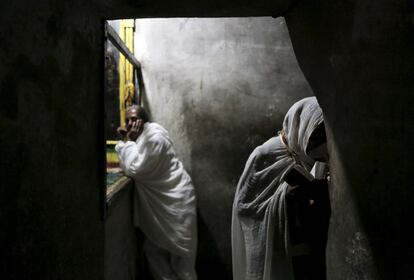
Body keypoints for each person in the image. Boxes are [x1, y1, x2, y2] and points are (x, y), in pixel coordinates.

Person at [231, 96, 330, 280]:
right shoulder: (265, 154)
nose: (319, 144)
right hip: (272, 251)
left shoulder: (313, 158)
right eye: (314, 136)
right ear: (300, 126)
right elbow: (244, 208)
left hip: (305, 251)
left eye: (322, 137)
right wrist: (285, 198)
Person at [115, 105, 198, 280]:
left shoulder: (154, 138)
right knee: (153, 249)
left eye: (134, 119)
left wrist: (128, 142)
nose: (130, 123)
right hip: (168, 199)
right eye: (127, 119)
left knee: (181, 259)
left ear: (143, 121)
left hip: (177, 199)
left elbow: (135, 168)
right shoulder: (144, 137)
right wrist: (128, 140)